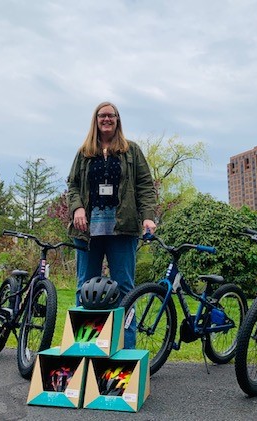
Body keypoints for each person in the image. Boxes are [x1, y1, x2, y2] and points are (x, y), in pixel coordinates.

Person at [67, 101, 157, 348]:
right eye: (102, 115)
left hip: (123, 230)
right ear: (95, 120)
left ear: (118, 120)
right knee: (85, 289)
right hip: (88, 232)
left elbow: (145, 186)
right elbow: (72, 185)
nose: (106, 119)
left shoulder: (132, 151)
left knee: (126, 290)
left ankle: (125, 349)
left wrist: (148, 215)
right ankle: (84, 349)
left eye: (111, 115)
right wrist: (78, 208)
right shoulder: (84, 152)